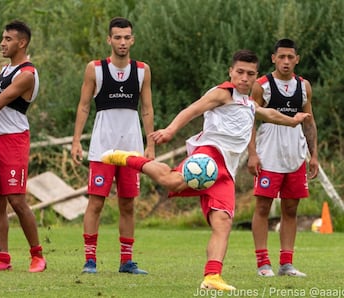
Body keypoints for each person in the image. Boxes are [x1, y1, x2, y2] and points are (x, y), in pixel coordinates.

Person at [101, 50, 311, 290]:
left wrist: (293, 120)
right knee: (170, 181)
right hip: (208, 155)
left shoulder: (247, 103)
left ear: (256, 77)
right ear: (231, 71)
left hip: (226, 171)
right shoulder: (222, 93)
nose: (244, 78)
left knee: (223, 222)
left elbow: (269, 113)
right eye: (240, 72)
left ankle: (212, 277)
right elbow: (193, 110)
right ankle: (128, 159)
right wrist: (170, 130)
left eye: (250, 74)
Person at [71, 17, 154, 274]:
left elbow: (148, 110)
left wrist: (149, 145)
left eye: (126, 37)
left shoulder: (142, 70)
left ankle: (126, 262)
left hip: (131, 150)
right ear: (109, 39)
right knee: (95, 202)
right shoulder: (94, 68)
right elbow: (84, 106)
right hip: (102, 149)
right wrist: (76, 141)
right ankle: (90, 260)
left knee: (128, 204)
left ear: (133, 40)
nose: (122, 42)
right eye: (117, 37)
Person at [247, 39, 318, 277]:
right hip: (268, 156)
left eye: (290, 57)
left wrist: (314, 155)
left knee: (290, 208)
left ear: (297, 59)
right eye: (282, 57)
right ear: (273, 58)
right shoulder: (261, 85)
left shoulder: (303, 86)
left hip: (295, 156)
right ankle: (262, 263)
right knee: (263, 207)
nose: (286, 61)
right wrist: (252, 153)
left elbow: (309, 122)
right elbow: (250, 121)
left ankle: (286, 264)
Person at [0, 20, 46, 272]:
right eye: (2, 38)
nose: (2, 43)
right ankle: (2, 258)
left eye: (8, 39)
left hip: (13, 140)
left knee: (16, 200)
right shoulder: (6, 69)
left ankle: (38, 256)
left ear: (22, 43)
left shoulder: (27, 74)